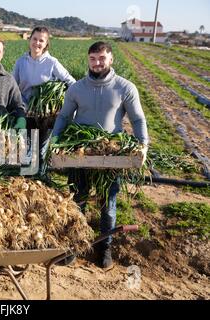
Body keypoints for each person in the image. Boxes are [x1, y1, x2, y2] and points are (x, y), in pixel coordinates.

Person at [51, 41, 149, 269]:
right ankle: (75, 244)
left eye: (102, 58)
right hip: (80, 151)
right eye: (93, 59)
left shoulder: (125, 87)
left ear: (111, 59)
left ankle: (104, 248)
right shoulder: (76, 88)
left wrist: (143, 144)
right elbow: (64, 117)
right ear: (88, 60)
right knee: (78, 199)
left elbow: (137, 119)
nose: (97, 63)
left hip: (110, 152)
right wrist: (55, 140)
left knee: (109, 203)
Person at [12, 26, 76, 106]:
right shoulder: (20, 62)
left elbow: (70, 81)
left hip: (46, 110)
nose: (37, 43)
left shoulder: (52, 62)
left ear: (46, 44)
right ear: (30, 39)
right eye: (34, 39)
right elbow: (12, 86)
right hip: (24, 107)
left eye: (41, 40)